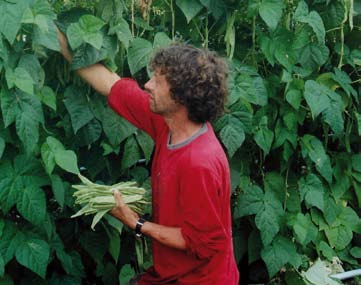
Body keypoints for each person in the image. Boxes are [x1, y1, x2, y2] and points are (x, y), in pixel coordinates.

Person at [57, 30, 240, 285]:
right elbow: (111, 83)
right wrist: (58, 39)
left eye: (158, 81)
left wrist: (136, 223)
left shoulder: (199, 162)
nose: (147, 85)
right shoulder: (168, 123)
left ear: (181, 96)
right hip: (171, 274)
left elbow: (201, 242)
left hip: (201, 279)